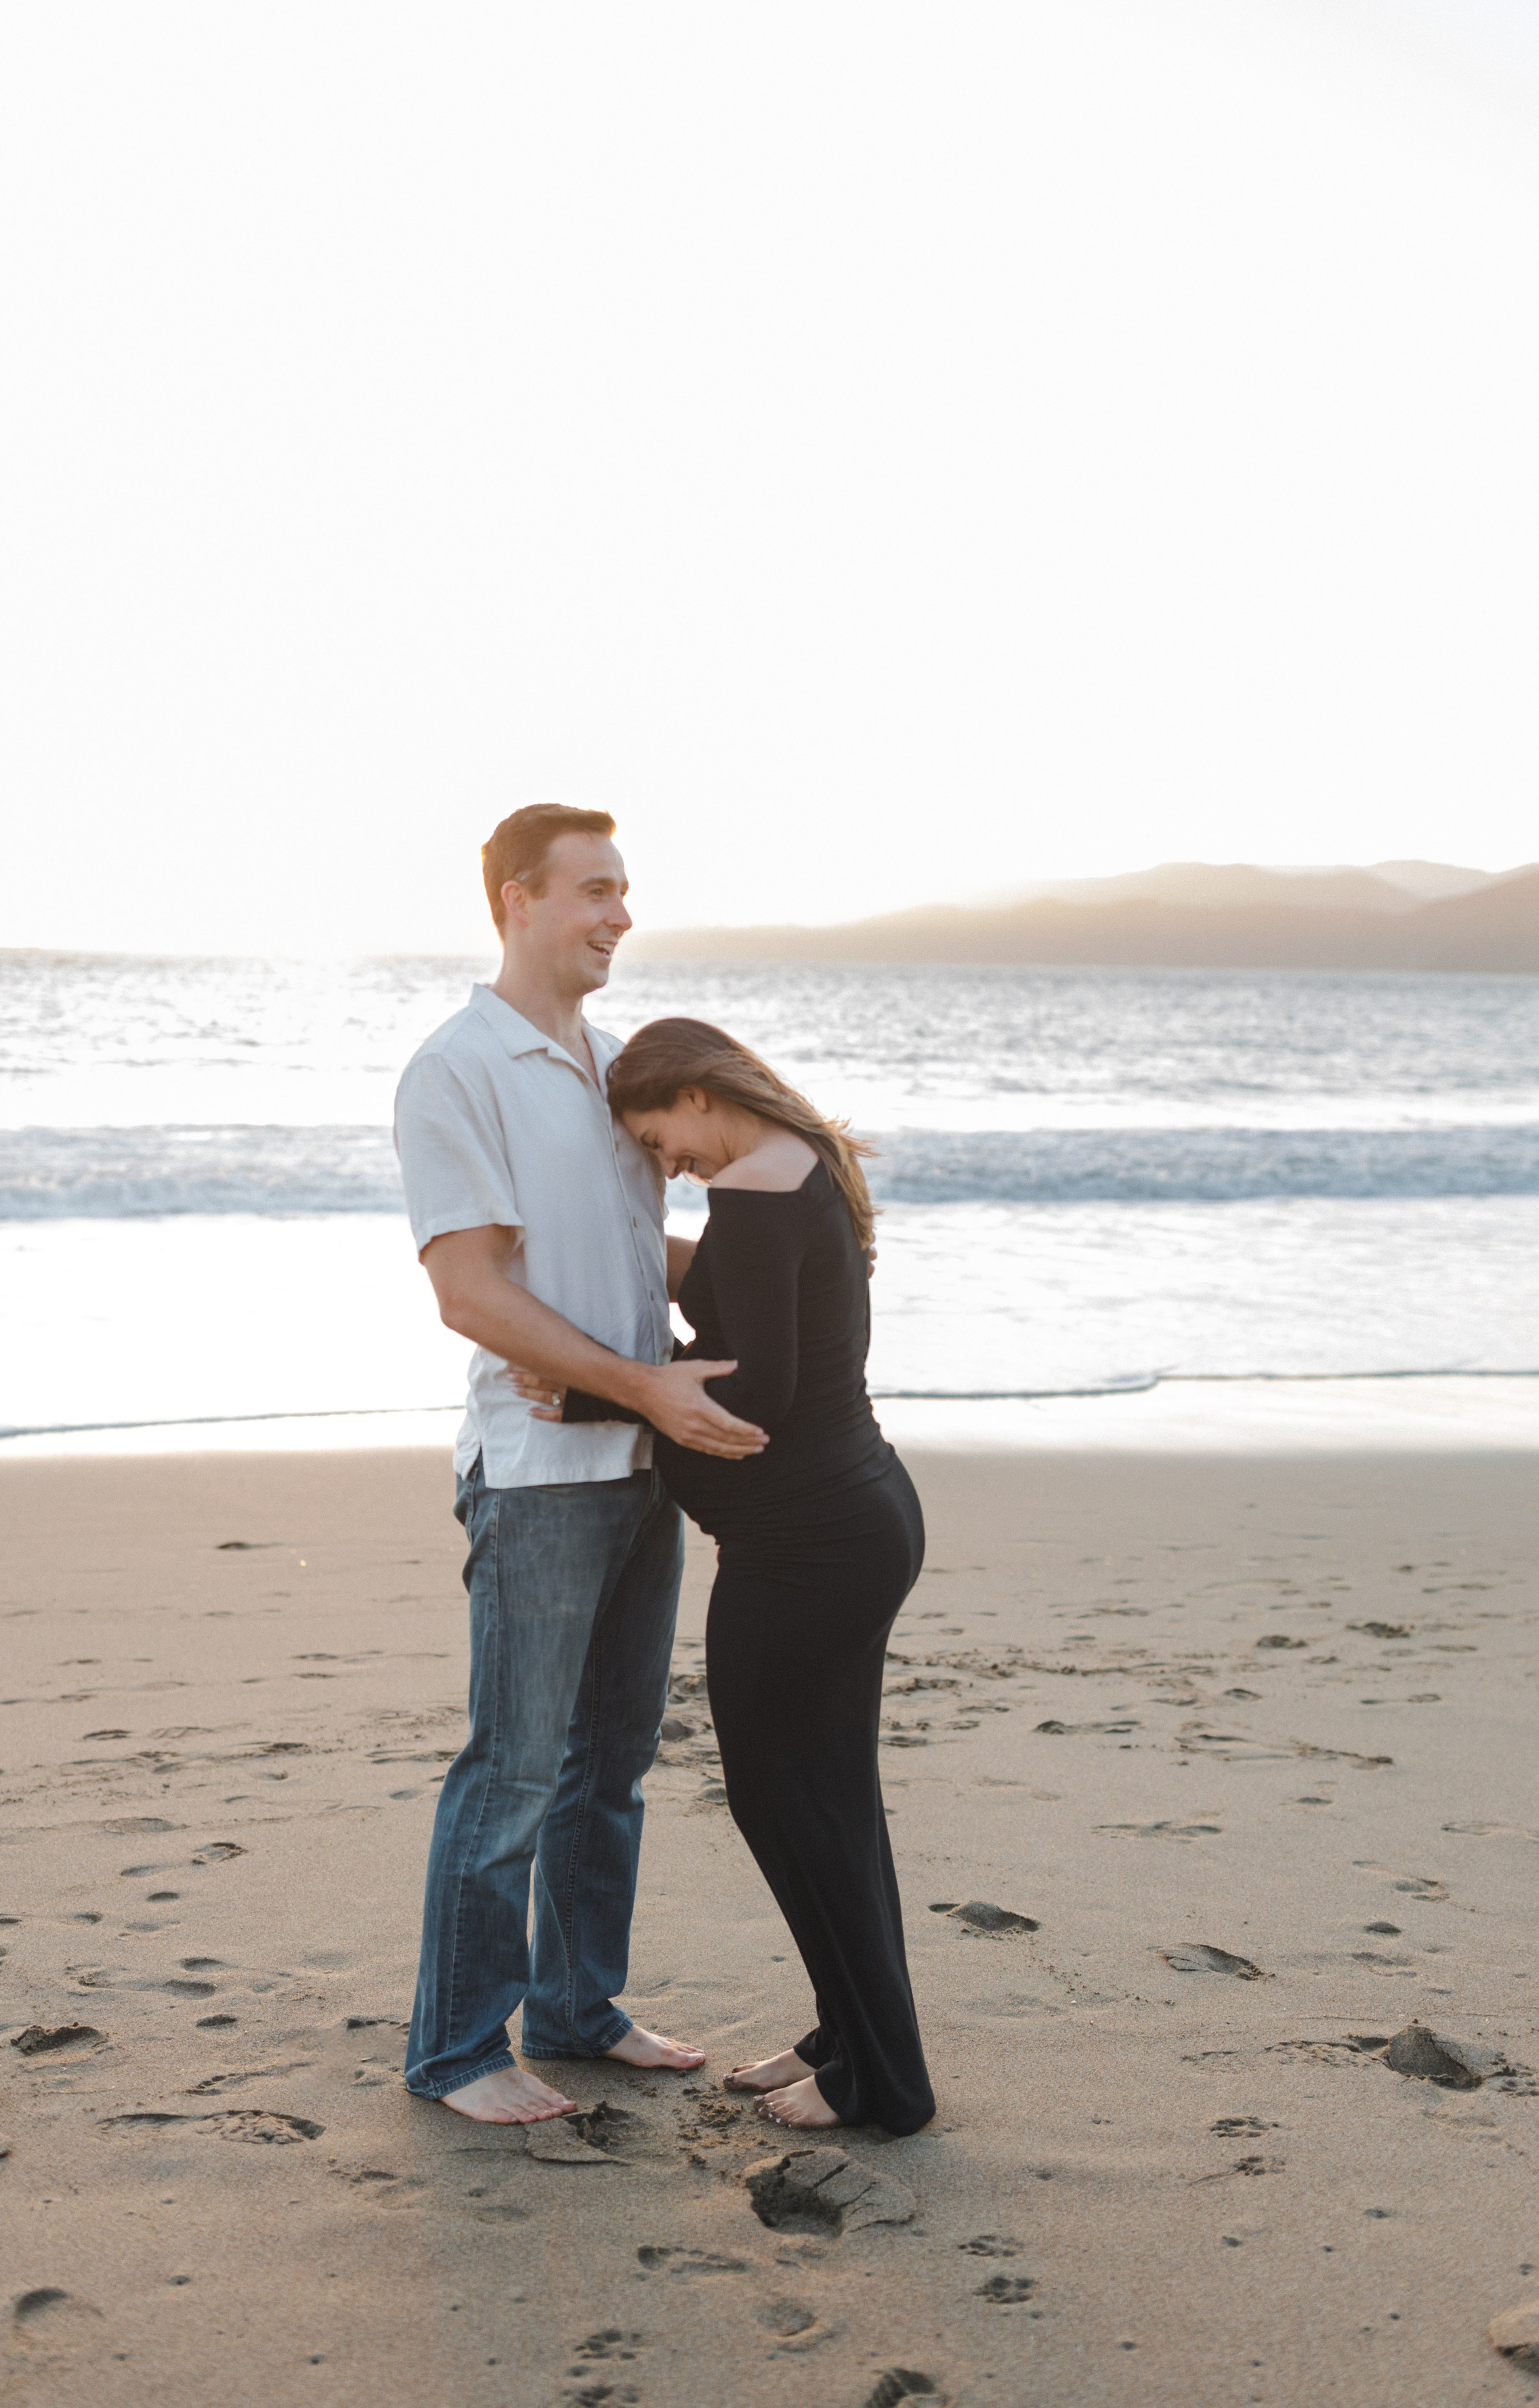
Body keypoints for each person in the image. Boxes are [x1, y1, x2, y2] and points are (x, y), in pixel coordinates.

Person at [393, 807, 770, 2125]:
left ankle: (572, 2009)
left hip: (639, 1472)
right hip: (539, 1480)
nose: (618, 916)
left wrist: (795, 1262)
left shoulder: (614, 1071)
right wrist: (636, 1383)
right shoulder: (458, 1070)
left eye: (624, 892)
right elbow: (469, 1291)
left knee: (608, 1768)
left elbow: (628, 1264)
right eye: (594, 892)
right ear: (514, 900)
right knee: (511, 1769)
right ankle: (454, 2053)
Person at [521, 1017, 935, 2136]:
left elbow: (752, 1406)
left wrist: (591, 1393)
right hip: (855, 1527)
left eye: (663, 1142)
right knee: (831, 1805)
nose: (669, 1165)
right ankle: (851, 2039)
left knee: (788, 1804)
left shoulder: (753, 1188)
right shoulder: (800, 1170)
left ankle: (883, 2086)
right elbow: (747, 1304)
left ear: (700, 1095)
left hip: (809, 1555)